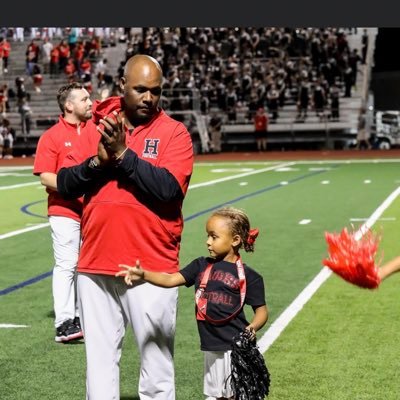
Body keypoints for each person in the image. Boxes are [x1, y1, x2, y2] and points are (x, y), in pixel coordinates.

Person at [56, 54, 194, 400]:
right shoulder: (94, 126)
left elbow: (168, 189)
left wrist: (123, 155)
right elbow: (67, 183)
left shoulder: (174, 133)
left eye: (156, 91)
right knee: (99, 368)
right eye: (140, 90)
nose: (149, 98)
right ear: (122, 86)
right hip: (95, 263)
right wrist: (98, 162)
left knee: (157, 369)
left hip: (150, 266)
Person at [116, 206, 268, 400]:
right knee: (217, 395)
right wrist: (143, 274)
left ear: (235, 240)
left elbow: (262, 311)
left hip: (235, 348)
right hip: (211, 346)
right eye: (208, 236)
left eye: (214, 237)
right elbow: (171, 280)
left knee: (235, 395)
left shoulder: (250, 276)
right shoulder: (200, 265)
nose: (208, 242)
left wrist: (254, 326)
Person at [33, 82, 93, 343]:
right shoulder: (52, 136)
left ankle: (83, 317)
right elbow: (45, 177)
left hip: (93, 211)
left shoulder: (96, 130)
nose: (90, 103)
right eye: (84, 99)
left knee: (87, 267)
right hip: (64, 209)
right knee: (67, 265)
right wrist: (72, 185)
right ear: (69, 105)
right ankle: (64, 322)